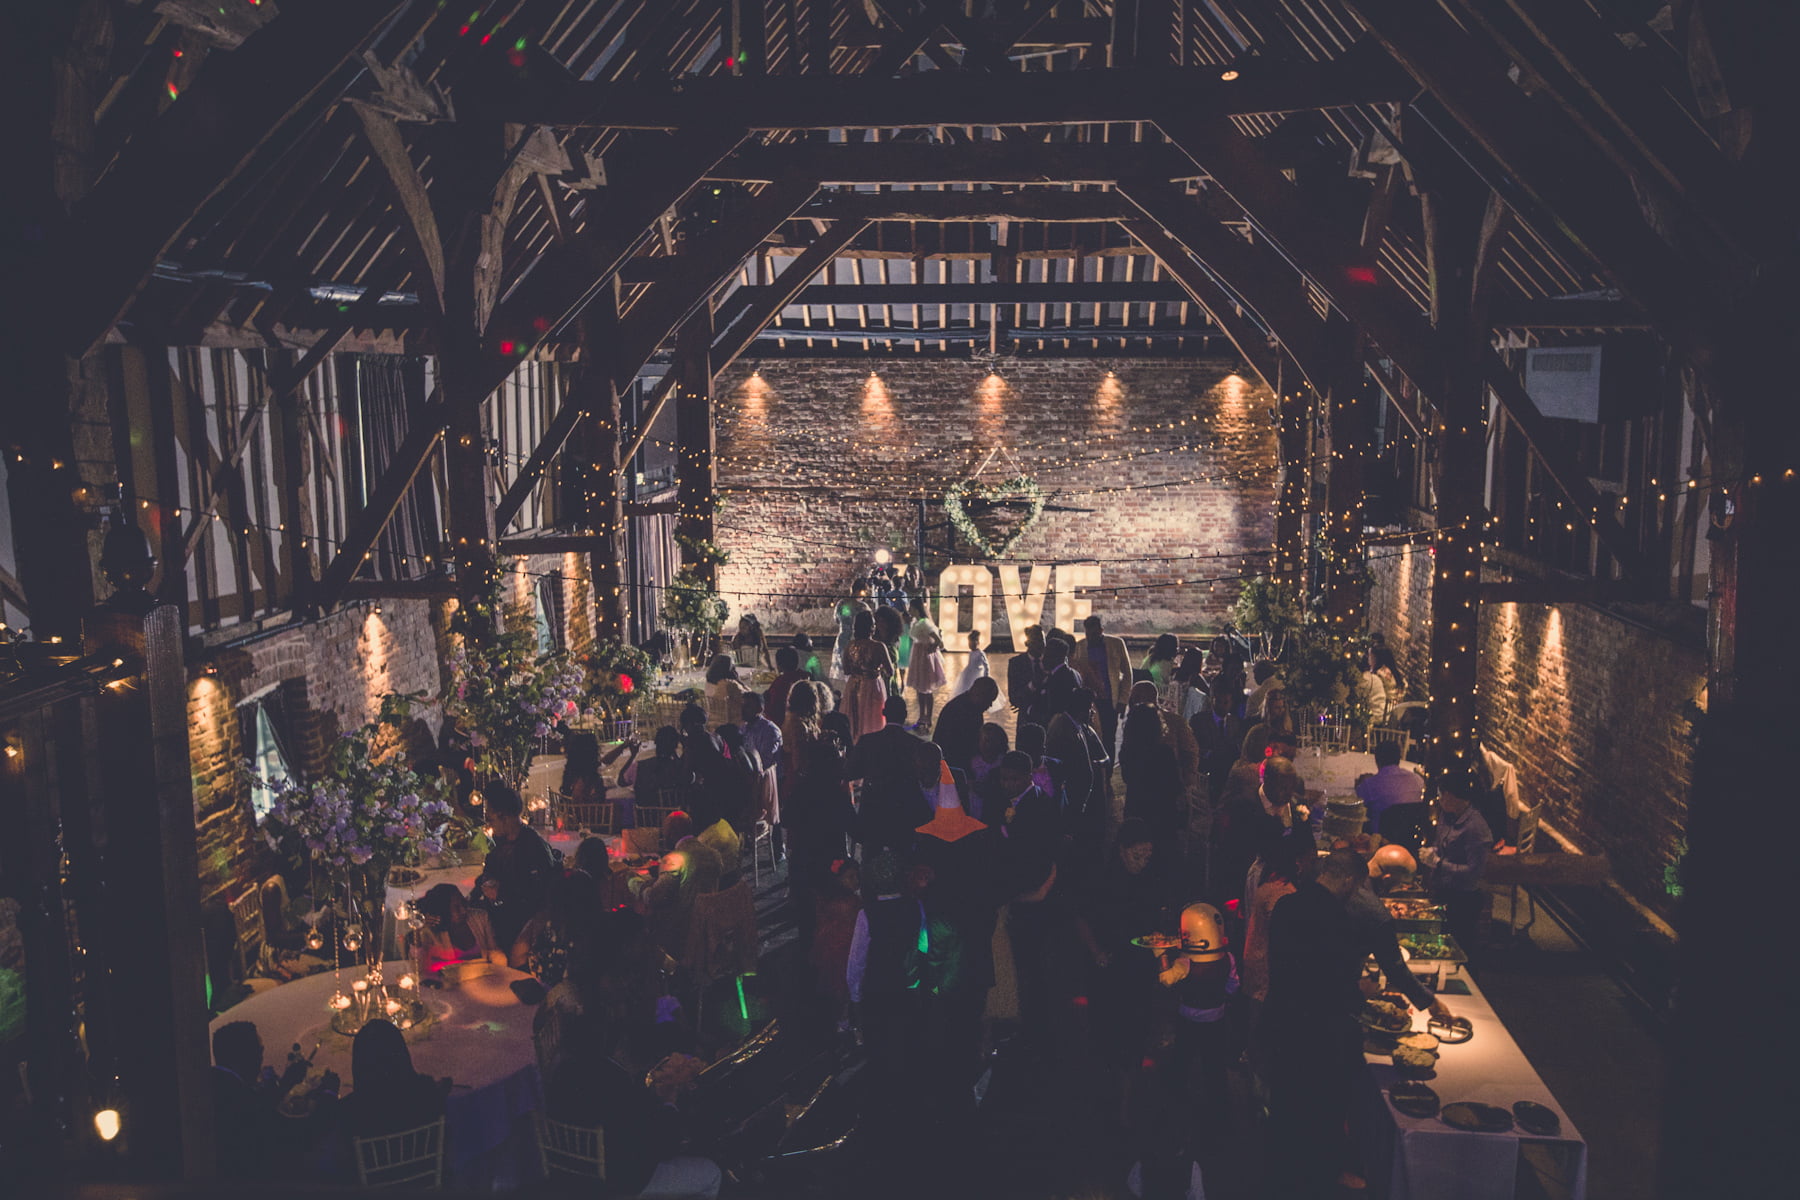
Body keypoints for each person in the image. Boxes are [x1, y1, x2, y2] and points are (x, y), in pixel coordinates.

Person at [1261, 849, 1382, 1198]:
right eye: (1357, 886)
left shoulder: (1287, 906)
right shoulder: (1338, 921)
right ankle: (1315, 1179)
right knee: (1316, 1114)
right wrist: (1361, 990)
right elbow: (1332, 988)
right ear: (1347, 881)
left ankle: (1277, 1180)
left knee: (1284, 1110)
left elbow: (1291, 970)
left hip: (1282, 1024)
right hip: (1316, 1035)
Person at [545, 1017, 722, 1199]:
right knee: (712, 1173)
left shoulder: (562, 1070)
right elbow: (661, 1145)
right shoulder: (617, 1081)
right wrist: (670, 1103)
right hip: (620, 1181)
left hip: (570, 1172)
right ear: (619, 1048)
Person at [212, 1020, 315, 1178]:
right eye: (260, 1051)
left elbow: (259, 1104)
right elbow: (284, 1131)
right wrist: (328, 1095)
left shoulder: (216, 1079)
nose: (262, 1058)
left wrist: (282, 1085)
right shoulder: (240, 1100)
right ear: (247, 1056)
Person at [786, 736, 854, 953]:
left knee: (806, 919)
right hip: (831, 863)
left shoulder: (800, 788)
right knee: (829, 917)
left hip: (803, 861)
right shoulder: (837, 794)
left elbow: (786, 819)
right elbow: (855, 829)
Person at [336, 1019, 447, 1140]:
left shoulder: (353, 1110)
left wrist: (329, 1092)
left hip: (374, 1158)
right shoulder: (425, 1091)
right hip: (426, 1156)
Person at [848, 695, 929, 852]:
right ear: (905, 715)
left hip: (873, 813)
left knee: (871, 858)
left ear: (883, 713)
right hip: (904, 813)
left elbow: (851, 772)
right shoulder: (917, 745)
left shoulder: (868, 741)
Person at [1423, 782, 1493, 956]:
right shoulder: (1446, 815)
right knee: (1440, 944)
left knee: (1461, 947)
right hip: (1444, 890)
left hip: (1464, 897)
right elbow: (1441, 843)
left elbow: (1474, 871)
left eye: (1443, 794)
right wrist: (1433, 851)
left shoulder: (1476, 827)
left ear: (1457, 797)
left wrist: (1439, 864)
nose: (1440, 799)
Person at [1120, 704, 1182, 853]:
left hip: (1135, 811)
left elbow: (1127, 778)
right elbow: (1176, 786)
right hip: (1162, 817)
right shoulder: (1165, 753)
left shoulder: (1127, 752)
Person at [411, 882, 506, 978]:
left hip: (482, 979)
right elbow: (419, 968)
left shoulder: (480, 918)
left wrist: (499, 971)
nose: (464, 910)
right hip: (449, 985)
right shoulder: (431, 930)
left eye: (463, 903)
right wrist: (418, 933)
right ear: (444, 911)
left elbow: (494, 951)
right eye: (456, 907)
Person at [1075, 614, 1133, 752]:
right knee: (1088, 739)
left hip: (1109, 700)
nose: (1091, 637)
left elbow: (1127, 673)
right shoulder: (1080, 646)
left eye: (1094, 634)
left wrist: (1123, 700)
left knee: (1109, 739)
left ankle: (1107, 770)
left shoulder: (1116, 644)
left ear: (1101, 630)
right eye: (1088, 634)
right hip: (1088, 701)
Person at [933, 676, 1001, 780]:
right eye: (989, 700)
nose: (990, 705)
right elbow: (963, 746)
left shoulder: (968, 707)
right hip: (954, 766)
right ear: (979, 695)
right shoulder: (962, 712)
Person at [841, 608, 893, 741]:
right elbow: (890, 671)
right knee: (871, 717)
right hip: (872, 685)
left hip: (853, 684)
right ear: (871, 627)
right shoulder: (879, 646)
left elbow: (846, 670)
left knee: (854, 717)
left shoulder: (849, 646)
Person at [626, 726, 692, 827]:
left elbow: (621, 781)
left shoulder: (639, 766)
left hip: (647, 828)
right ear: (676, 745)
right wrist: (685, 748)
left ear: (656, 743)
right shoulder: (681, 768)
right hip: (675, 828)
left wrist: (633, 755)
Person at [1355, 739, 1426, 832]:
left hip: (1380, 840)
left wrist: (1360, 785)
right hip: (1411, 836)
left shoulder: (1369, 785)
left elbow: (1358, 805)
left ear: (1376, 760)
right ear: (1399, 759)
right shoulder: (1418, 780)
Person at [906, 595, 948, 727]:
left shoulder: (924, 623)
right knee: (920, 687)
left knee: (926, 688)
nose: (909, 610)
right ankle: (922, 716)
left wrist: (932, 647)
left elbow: (938, 640)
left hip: (924, 656)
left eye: (911, 608)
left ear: (916, 609)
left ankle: (928, 716)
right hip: (918, 654)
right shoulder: (917, 622)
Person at [1030, 634, 1081, 729]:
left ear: (1054, 656)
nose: (1042, 658)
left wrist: (1032, 712)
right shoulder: (1075, 674)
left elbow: (1054, 709)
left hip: (1056, 730)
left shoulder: (1057, 679)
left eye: (1046, 654)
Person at [765, 646, 807, 728]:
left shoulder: (780, 682)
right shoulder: (806, 676)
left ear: (779, 665)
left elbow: (773, 708)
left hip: (783, 724)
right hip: (805, 720)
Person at [1007, 624, 1045, 715]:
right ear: (1027, 643)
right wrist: (1032, 685)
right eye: (1036, 641)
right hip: (1026, 718)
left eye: (1042, 641)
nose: (1040, 645)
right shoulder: (1016, 663)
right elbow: (1014, 697)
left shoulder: (1051, 660)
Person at [703, 654, 744, 727]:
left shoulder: (708, 683)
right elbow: (747, 696)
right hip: (733, 720)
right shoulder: (728, 684)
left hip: (713, 719)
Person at [952, 629, 991, 699]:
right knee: (965, 688)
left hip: (977, 674)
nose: (970, 645)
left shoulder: (980, 653)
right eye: (969, 643)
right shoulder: (971, 653)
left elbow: (986, 666)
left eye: (971, 643)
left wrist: (985, 677)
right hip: (969, 673)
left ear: (977, 642)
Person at [969, 722, 1008, 786]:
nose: (983, 744)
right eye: (981, 740)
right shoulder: (973, 760)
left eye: (988, 740)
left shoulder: (1004, 761)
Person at [1244, 659, 1282, 723]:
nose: (1254, 677)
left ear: (1260, 673)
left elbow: (1248, 722)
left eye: (1255, 673)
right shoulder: (1285, 685)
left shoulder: (1254, 698)